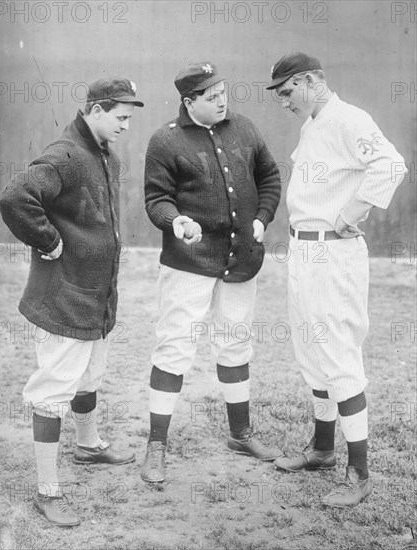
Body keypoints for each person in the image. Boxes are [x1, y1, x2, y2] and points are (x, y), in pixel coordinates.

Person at [0, 77, 144, 526]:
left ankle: (87, 445)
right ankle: (48, 491)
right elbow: (15, 197)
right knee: (53, 390)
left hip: (95, 294)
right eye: (120, 117)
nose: (124, 126)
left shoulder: (101, 154)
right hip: (63, 295)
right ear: (96, 109)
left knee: (90, 373)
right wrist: (47, 239)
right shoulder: (65, 154)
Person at [266, 52, 407, 507]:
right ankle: (324, 449)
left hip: (334, 251)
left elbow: (391, 163)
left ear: (311, 81)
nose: (284, 101)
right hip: (304, 249)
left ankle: (359, 472)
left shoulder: (349, 119)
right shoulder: (315, 122)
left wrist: (353, 211)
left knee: (339, 355)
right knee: (311, 350)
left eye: (288, 90)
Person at [142, 61, 283, 483]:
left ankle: (240, 434)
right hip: (189, 263)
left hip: (241, 259)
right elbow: (155, 199)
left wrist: (263, 216)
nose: (223, 100)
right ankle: (157, 446)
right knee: (174, 348)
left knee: (236, 343)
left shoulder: (245, 128)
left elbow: (270, 177)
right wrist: (175, 221)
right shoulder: (165, 141)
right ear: (190, 102)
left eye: (224, 91)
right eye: (212, 96)